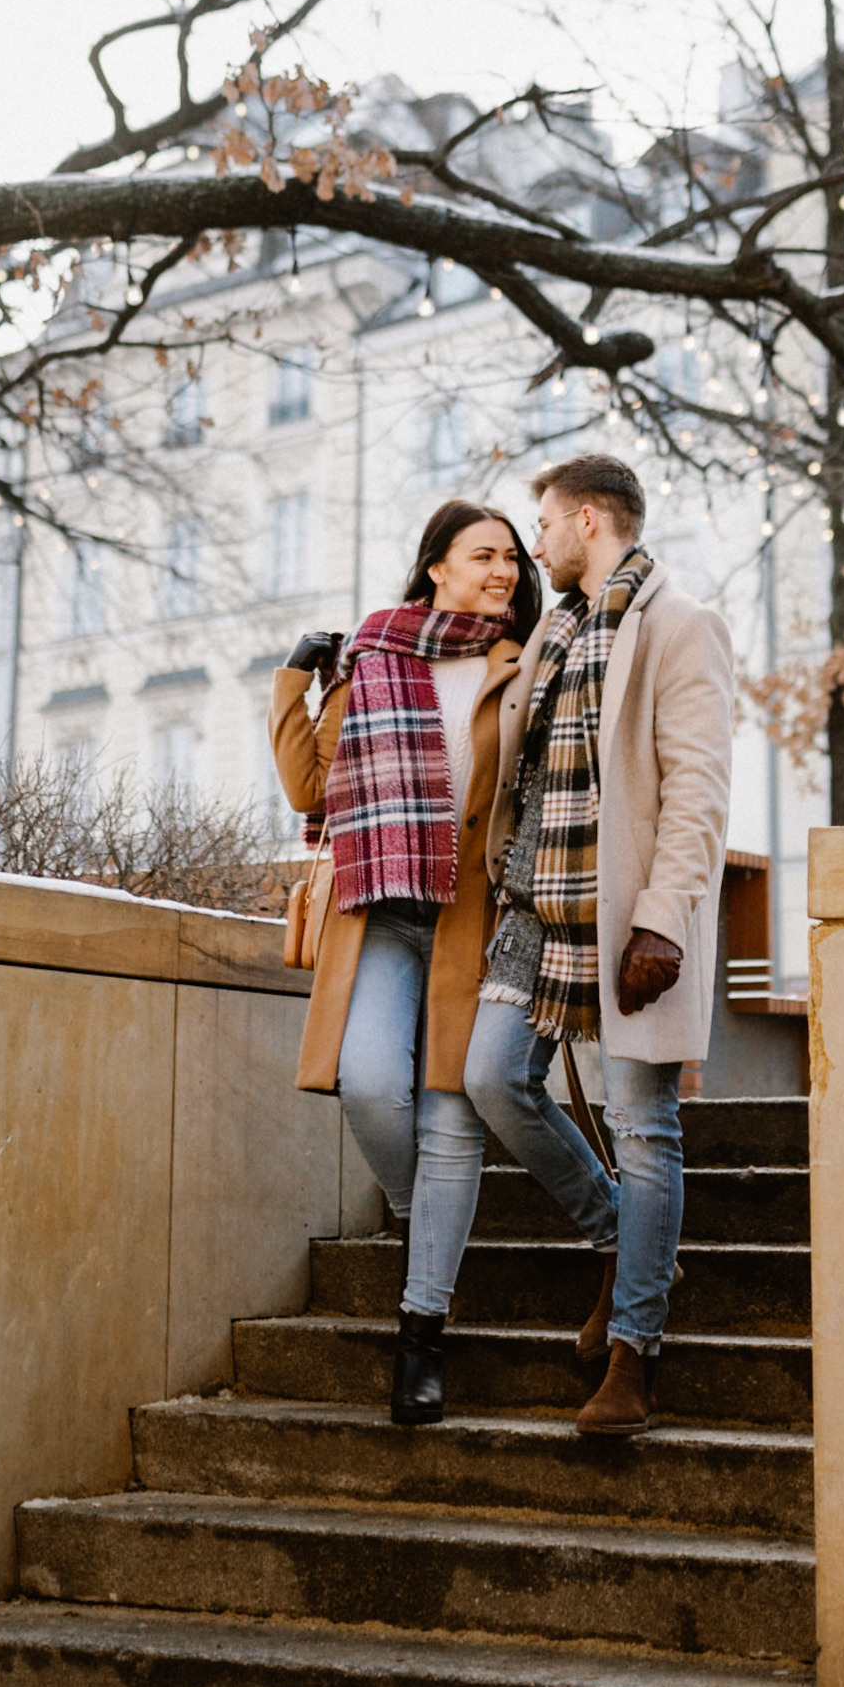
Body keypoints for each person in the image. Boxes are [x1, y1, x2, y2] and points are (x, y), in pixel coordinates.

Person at [462, 452, 734, 1437]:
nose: (532, 544)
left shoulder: (679, 624)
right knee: (493, 1078)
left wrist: (662, 916)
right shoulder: (552, 628)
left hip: (627, 911)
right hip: (534, 906)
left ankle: (633, 1351)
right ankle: (624, 1236)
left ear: (586, 519)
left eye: (541, 523)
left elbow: (698, 785)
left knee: (642, 1126)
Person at [270, 502, 542, 1425]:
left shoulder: (526, 660)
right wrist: (293, 683)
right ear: (436, 566)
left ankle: (420, 1337)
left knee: (451, 1121)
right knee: (369, 1088)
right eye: (484, 555)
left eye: (512, 556)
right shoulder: (374, 654)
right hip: (382, 911)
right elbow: (311, 788)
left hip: (475, 916)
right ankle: (416, 1206)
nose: (504, 570)